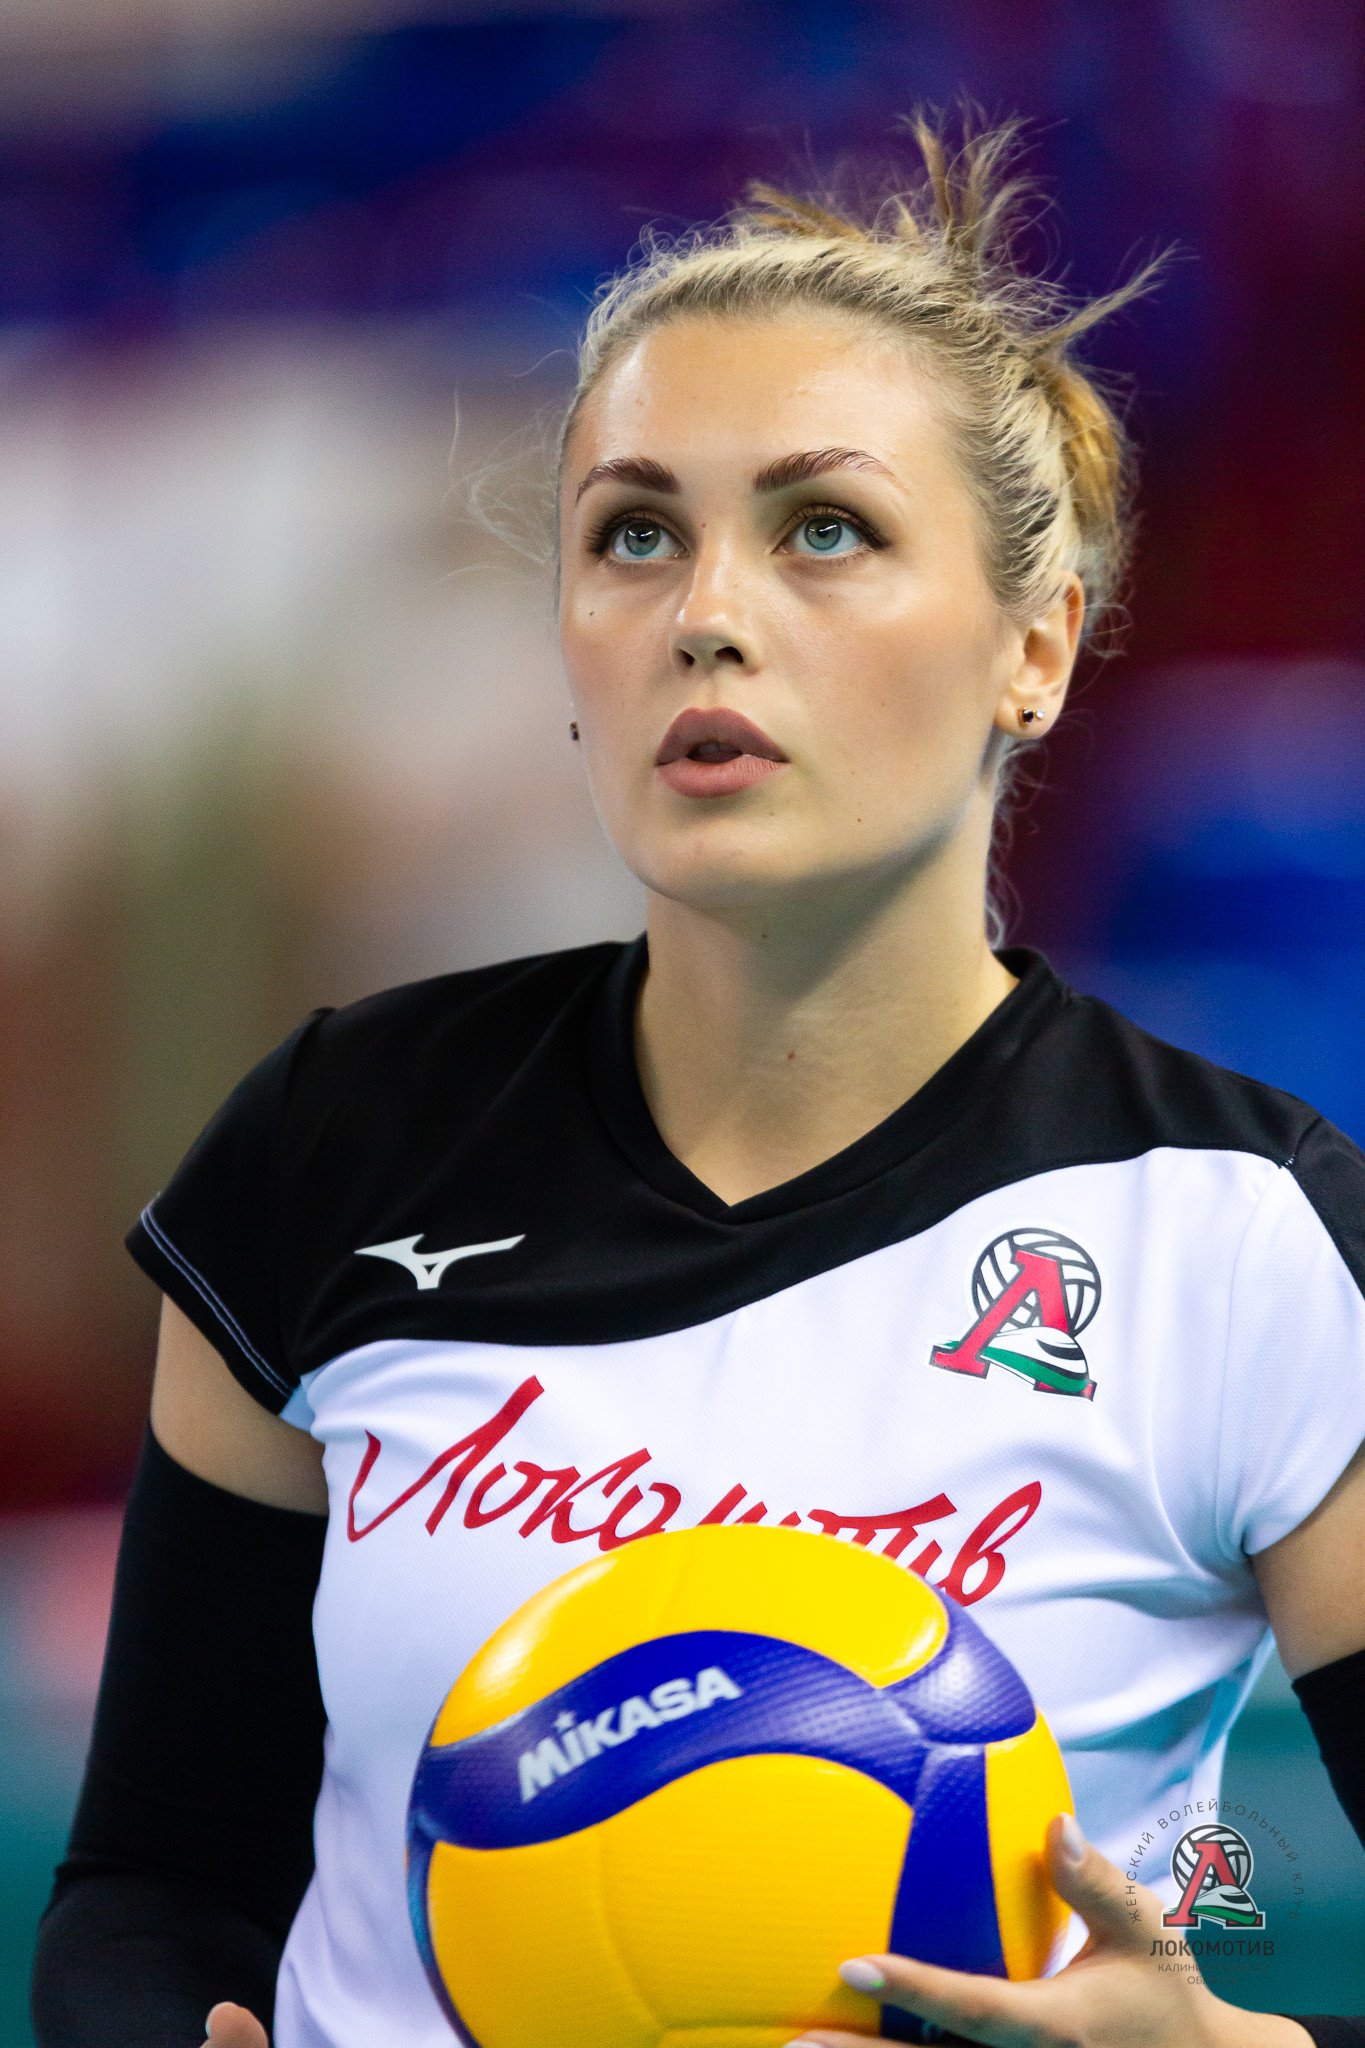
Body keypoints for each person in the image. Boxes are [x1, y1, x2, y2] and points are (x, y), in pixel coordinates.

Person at [30, 107, 1365, 2048]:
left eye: (824, 529)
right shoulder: (329, 1146)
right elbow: (153, 1889)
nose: (704, 614)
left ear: (1036, 645)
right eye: (633, 534)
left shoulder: (1237, 1236)